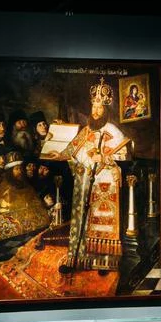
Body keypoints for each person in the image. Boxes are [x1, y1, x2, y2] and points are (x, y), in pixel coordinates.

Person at [60, 77, 130, 274]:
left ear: (106, 110)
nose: (96, 111)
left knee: (99, 221)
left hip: (102, 181)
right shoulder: (86, 130)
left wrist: (104, 158)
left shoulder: (113, 131)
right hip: (83, 182)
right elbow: (70, 150)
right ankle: (76, 259)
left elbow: (124, 156)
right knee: (80, 219)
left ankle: (103, 262)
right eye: (94, 107)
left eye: (100, 108)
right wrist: (59, 152)